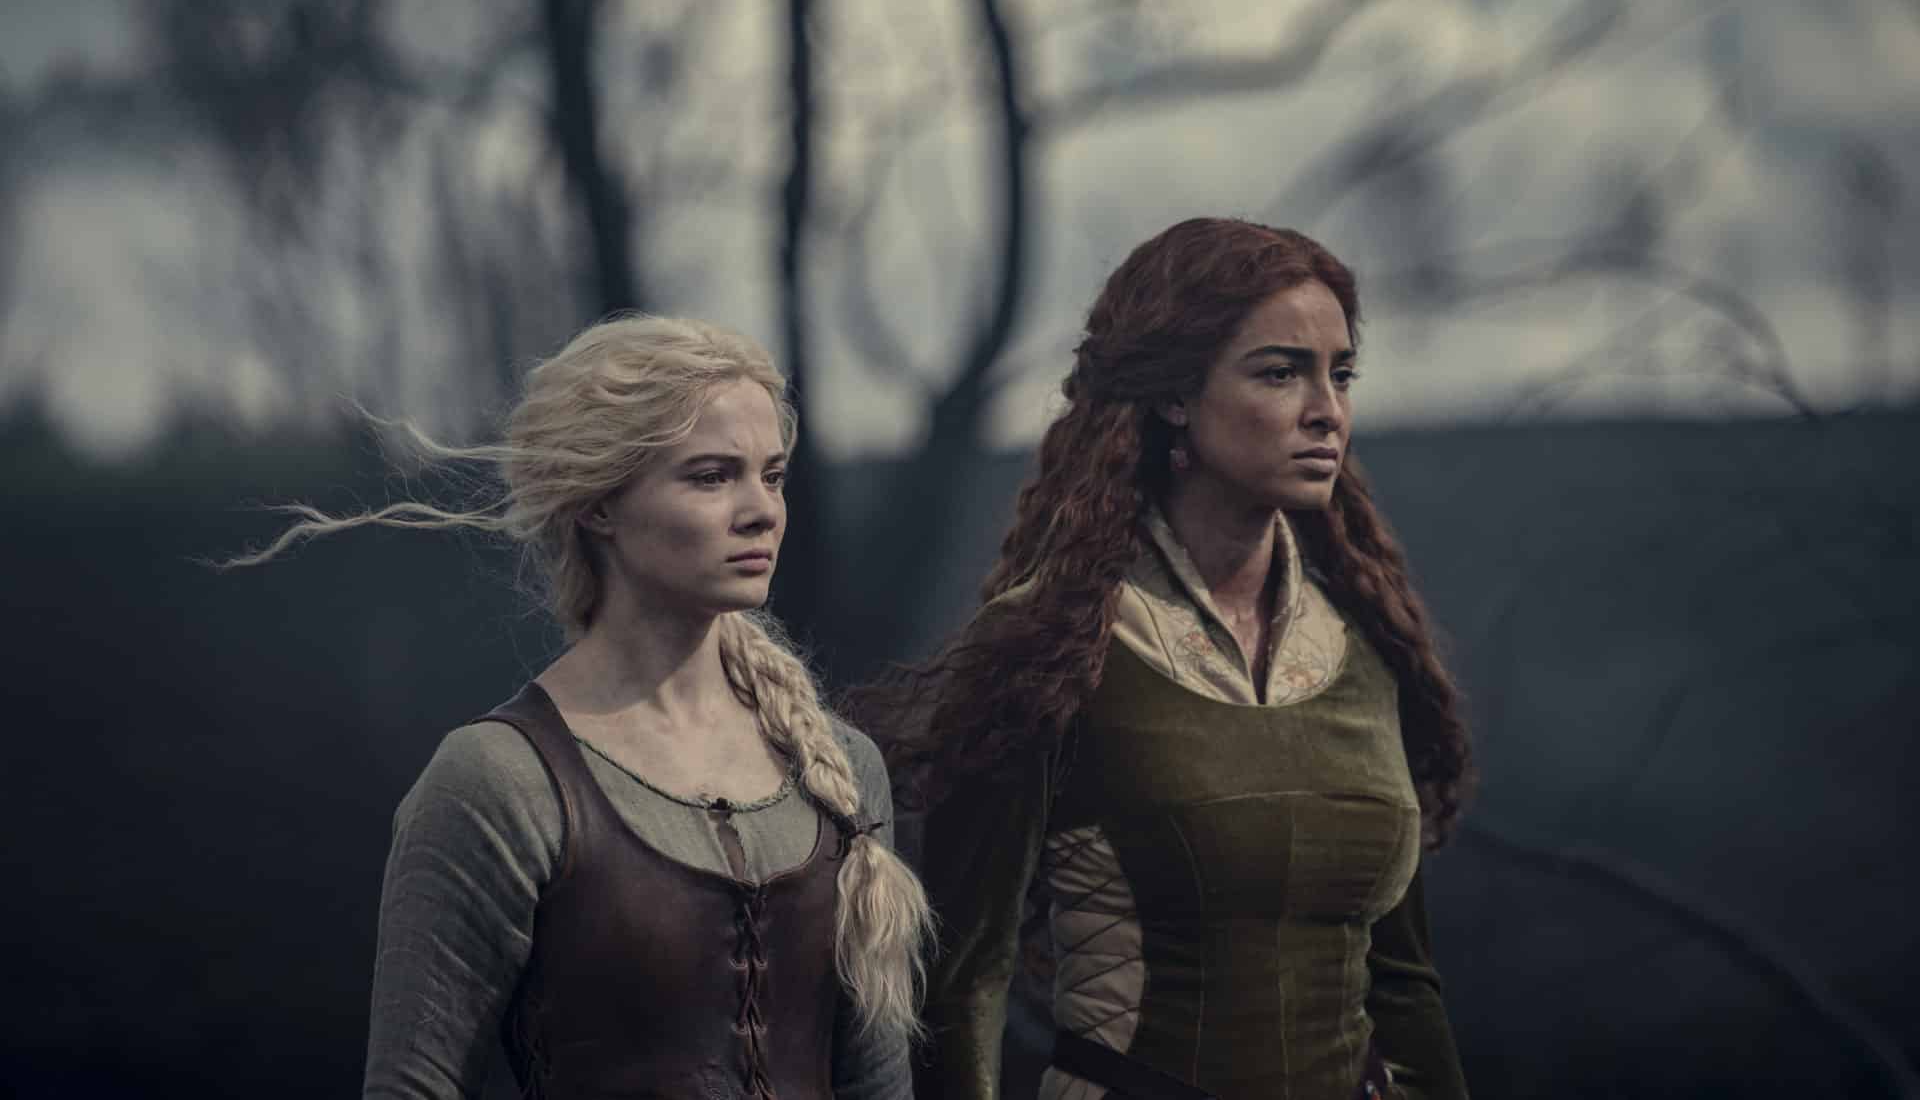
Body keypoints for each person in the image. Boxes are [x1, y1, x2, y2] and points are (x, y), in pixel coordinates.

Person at [231, 314, 931, 1100]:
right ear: (600, 505)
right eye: (711, 476)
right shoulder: (498, 782)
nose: (762, 509)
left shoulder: (840, 767)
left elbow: (881, 1087)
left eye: (771, 475)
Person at [866, 219, 1473, 1100]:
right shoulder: (1051, 646)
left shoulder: (1369, 651)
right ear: (1177, 394)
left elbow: (1406, 989)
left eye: (1340, 374)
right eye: (1281, 372)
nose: (1327, 410)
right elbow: (962, 985)